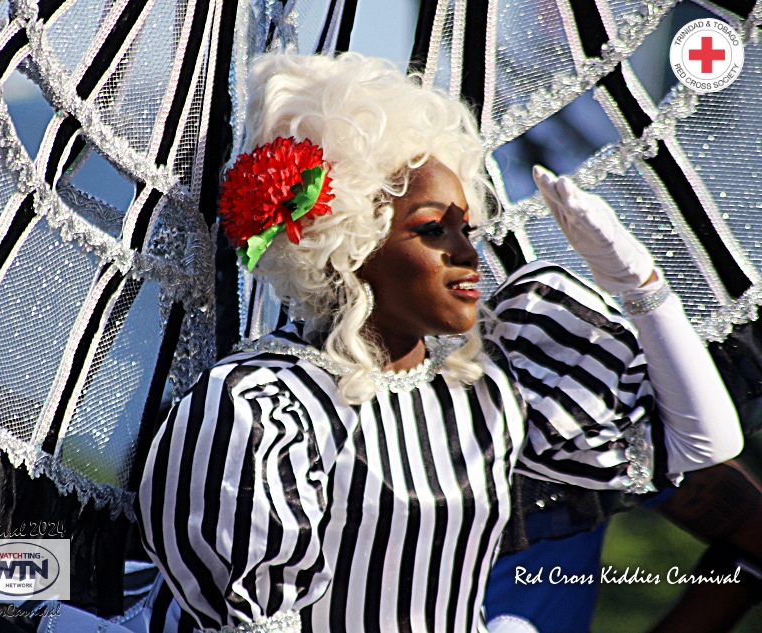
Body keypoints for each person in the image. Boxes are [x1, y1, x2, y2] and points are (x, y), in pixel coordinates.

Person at [134, 51, 743, 633]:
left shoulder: (485, 393)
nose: (468, 253)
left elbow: (704, 441)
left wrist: (639, 286)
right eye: (433, 230)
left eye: (466, 226)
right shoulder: (264, 407)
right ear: (353, 243)